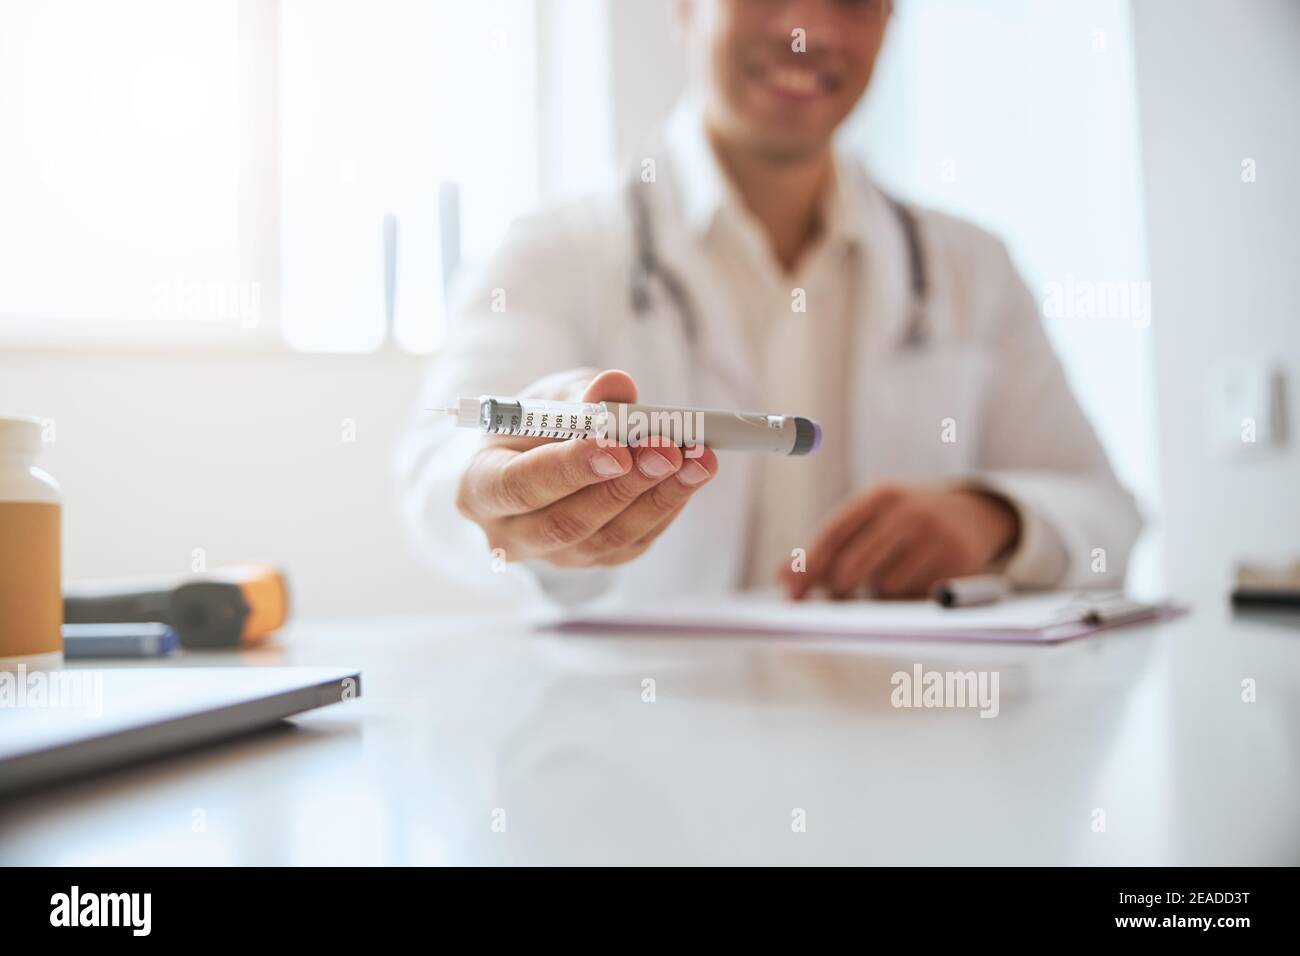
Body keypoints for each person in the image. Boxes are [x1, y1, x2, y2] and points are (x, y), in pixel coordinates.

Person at [397, 0, 1141, 607]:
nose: (808, 31)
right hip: (630, 749)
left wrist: (996, 520)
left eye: (853, 2)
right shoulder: (553, 251)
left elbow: (1108, 513)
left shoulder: (971, 266)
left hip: (895, 740)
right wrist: (525, 499)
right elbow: (442, 476)